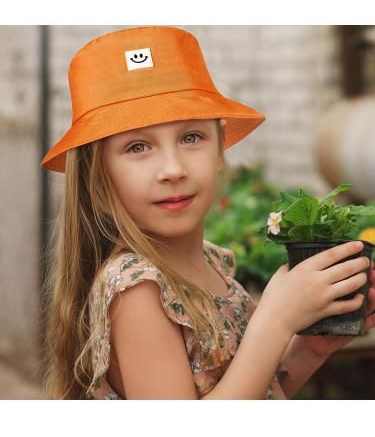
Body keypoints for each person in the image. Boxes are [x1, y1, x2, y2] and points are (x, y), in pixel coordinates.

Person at [40, 26, 375, 400]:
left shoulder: (213, 263)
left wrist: (307, 349)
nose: (173, 168)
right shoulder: (138, 290)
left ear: (219, 150)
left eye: (191, 138)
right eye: (137, 146)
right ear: (97, 175)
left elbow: (249, 394)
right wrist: (275, 319)